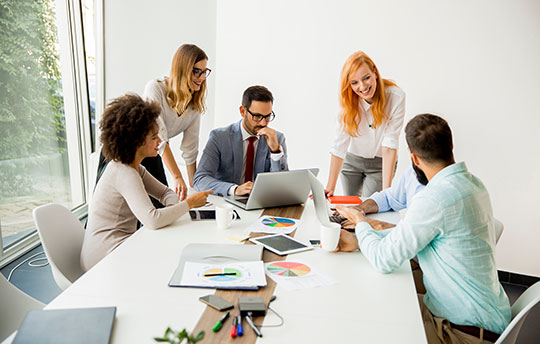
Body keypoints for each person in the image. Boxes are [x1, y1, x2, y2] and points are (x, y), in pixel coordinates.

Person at [335, 114, 511, 343]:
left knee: (373, 319)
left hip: (462, 332)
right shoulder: (473, 184)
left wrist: (359, 222)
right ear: (451, 147)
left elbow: (383, 260)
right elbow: (422, 235)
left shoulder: (435, 199)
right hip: (485, 316)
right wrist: (363, 236)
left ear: (414, 158)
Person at [81, 94, 212, 272]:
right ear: (136, 141)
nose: (160, 141)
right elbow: (152, 219)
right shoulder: (124, 173)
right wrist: (189, 204)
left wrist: (175, 208)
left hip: (120, 247)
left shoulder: (133, 167)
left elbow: (166, 193)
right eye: (154, 137)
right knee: (169, 259)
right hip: (104, 258)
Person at [326, 51, 405, 198]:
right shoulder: (347, 102)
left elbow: (389, 145)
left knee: (369, 208)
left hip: (380, 164)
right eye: (354, 83)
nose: (362, 87)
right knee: (350, 207)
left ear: (375, 72)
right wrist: (330, 186)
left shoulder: (396, 97)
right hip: (351, 161)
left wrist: (387, 193)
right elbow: (339, 145)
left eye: (366, 78)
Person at [142, 43, 211, 202]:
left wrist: (194, 189)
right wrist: (177, 177)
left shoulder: (194, 103)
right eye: (196, 71)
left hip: (153, 152)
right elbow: (159, 138)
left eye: (204, 72)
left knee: (162, 205)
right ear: (182, 69)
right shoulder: (156, 88)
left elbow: (190, 148)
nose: (201, 78)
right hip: (129, 152)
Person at [193, 85, 288, 196]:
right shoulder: (219, 137)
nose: (263, 123)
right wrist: (235, 189)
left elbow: (282, 186)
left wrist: (275, 151)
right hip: (228, 205)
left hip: (261, 205)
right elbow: (200, 179)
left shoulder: (277, 138)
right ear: (243, 111)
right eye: (257, 116)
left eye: (267, 117)